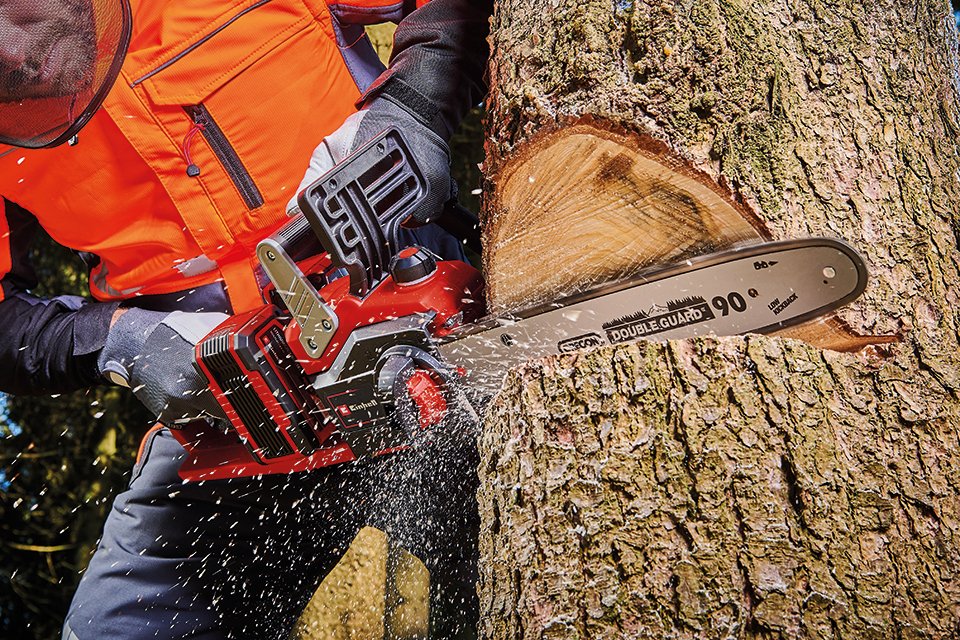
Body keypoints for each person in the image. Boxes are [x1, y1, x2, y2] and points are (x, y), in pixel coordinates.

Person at [0, 0, 491, 638]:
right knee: (120, 628)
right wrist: (115, 340)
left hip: (398, 296)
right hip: (227, 403)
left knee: (541, 559)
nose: (14, 58)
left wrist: (413, 106)